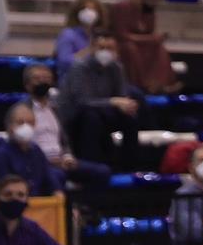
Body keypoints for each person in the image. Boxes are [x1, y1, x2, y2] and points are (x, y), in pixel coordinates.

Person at [55, 31, 140, 169]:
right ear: (92, 48)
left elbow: (121, 96)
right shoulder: (79, 67)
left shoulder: (116, 67)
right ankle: (92, 165)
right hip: (76, 115)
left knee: (130, 117)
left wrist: (126, 105)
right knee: (91, 117)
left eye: (110, 48)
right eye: (101, 48)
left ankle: (129, 167)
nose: (105, 52)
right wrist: (113, 102)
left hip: (103, 112)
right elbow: (82, 102)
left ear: (116, 51)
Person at [22, 63, 107, 194]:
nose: (42, 81)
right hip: (39, 163)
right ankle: (65, 212)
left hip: (62, 160)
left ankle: (85, 208)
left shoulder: (57, 108)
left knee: (102, 172)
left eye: (46, 78)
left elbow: (64, 140)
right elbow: (22, 145)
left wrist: (67, 156)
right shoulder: (21, 110)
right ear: (27, 84)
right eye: (37, 78)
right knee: (56, 176)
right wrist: (49, 161)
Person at [110, 0, 176, 95]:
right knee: (130, 49)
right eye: (153, 0)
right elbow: (122, 34)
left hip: (143, 42)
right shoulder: (122, 7)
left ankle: (160, 84)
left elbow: (150, 31)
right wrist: (148, 39)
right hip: (124, 41)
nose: (155, 4)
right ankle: (140, 85)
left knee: (159, 48)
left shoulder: (149, 10)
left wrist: (156, 38)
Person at [0, 103, 64, 196]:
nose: (26, 127)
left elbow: (49, 179)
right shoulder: (0, 154)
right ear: (9, 126)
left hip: (39, 205)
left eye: (30, 123)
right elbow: (3, 189)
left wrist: (57, 192)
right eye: (20, 122)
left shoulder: (36, 151)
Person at [53, 0, 100, 75]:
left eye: (93, 9)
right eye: (85, 9)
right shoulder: (68, 34)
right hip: (71, 83)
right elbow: (64, 63)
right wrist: (89, 51)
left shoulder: (99, 35)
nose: (89, 12)